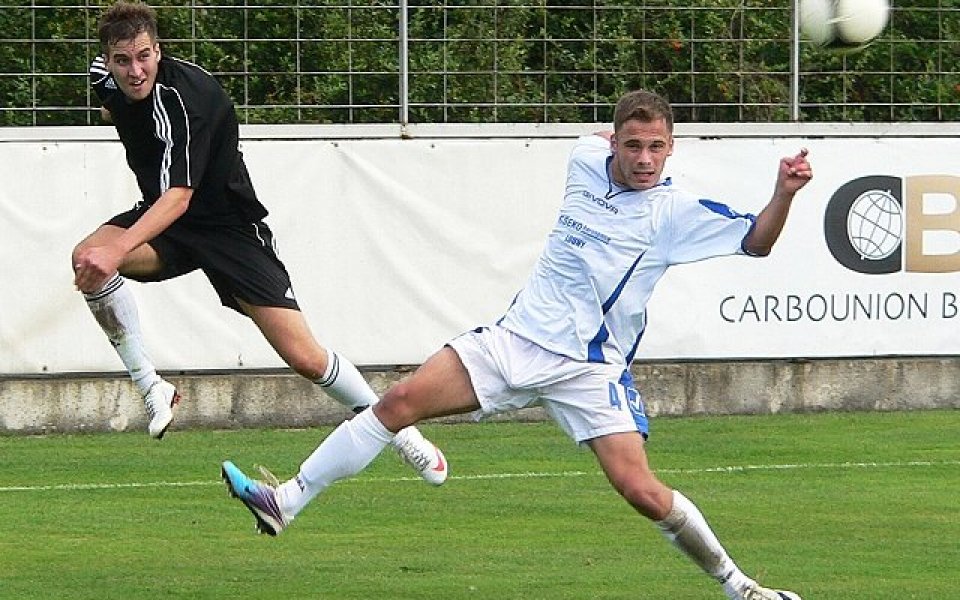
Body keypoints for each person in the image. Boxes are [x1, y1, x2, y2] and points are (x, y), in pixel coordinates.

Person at [221, 89, 810, 599]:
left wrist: (783, 192)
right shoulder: (585, 159)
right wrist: (612, 134)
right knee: (397, 402)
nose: (644, 159)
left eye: (656, 147)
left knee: (641, 490)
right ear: (613, 143)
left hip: (590, 369)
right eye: (633, 145)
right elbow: (593, 138)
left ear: (672, 148)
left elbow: (756, 242)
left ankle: (739, 585)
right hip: (516, 342)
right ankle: (286, 501)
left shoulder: (673, 212)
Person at [71, 0, 447, 486]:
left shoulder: (185, 100)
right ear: (108, 59)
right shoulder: (104, 77)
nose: (135, 70)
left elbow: (180, 196)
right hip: (167, 222)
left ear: (158, 50)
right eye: (123, 61)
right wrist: (109, 250)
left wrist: (118, 249)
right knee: (88, 260)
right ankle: (152, 387)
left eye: (144, 56)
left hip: (227, 228)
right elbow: (115, 108)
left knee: (306, 358)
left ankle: (400, 430)